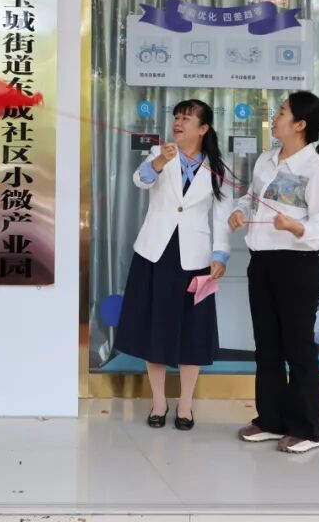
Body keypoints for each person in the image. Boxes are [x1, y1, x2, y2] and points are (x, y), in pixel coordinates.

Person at [229, 91, 319, 454]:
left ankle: (307, 428)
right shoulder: (266, 160)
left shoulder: (317, 171)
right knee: (267, 345)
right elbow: (251, 198)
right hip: (262, 262)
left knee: (298, 346)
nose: (275, 118)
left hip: (298, 266)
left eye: (282, 112)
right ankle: (271, 420)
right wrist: (239, 211)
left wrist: (296, 227)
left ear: (300, 125)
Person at [114, 99, 231, 431]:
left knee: (193, 331)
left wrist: (220, 255)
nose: (178, 122)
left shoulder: (217, 166)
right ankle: (158, 402)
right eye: (177, 117)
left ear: (203, 128)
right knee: (155, 328)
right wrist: (160, 162)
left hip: (196, 259)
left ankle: (186, 404)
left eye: (187, 118)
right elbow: (140, 180)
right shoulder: (160, 153)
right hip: (155, 253)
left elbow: (222, 215)